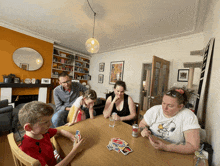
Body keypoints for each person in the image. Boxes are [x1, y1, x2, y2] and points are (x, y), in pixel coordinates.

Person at [18, 101, 85, 166]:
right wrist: (74, 151)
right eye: (46, 122)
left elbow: (59, 131)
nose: (50, 124)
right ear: (28, 127)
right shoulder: (28, 149)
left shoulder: (41, 132)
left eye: (49, 120)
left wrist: (72, 137)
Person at [139, 87, 200, 154]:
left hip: (174, 153)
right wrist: (143, 129)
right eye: (163, 103)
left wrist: (166, 147)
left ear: (180, 106)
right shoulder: (155, 110)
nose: (164, 108)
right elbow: (142, 124)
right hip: (152, 148)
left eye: (170, 106)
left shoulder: (188, 116)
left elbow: (194, 147)